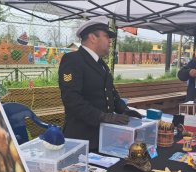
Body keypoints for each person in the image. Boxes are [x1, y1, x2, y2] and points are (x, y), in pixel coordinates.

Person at [58, 16, 141, 151]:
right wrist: (103, 116)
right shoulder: (73, 60)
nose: (110, 40)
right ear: (92, 37)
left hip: (103, 136)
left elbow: (111, 93)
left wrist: (124, 110)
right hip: (81, 138)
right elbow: (71, 99)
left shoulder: (101, 64)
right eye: (106, 36)